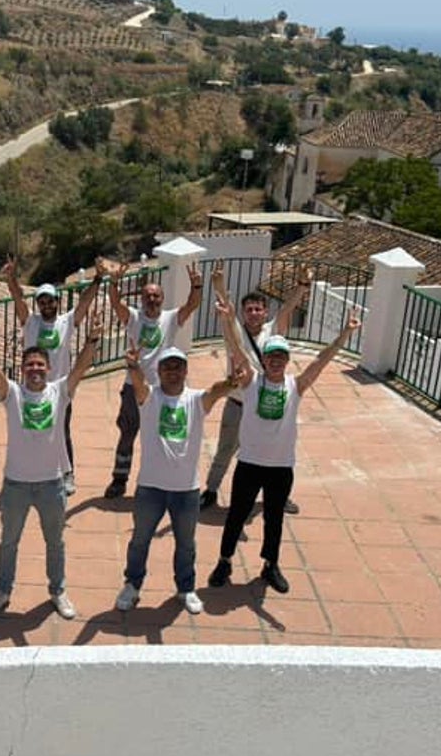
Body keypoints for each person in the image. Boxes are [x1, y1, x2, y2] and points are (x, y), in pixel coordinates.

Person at [207, 301, 362, 594]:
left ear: (287, 360)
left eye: (281, 356)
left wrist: (345, 334)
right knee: (237, 515)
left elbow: (321, 361)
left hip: (280, 468)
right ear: (263, 360)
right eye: (271, 356)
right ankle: (224, 561)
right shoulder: (251, 382)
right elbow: (237, 347)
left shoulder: (296, 385)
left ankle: (270, 565)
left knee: (274, 519)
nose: (276, 361)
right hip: (250, 464)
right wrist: (227, 320)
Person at [0, 315, 103, 620]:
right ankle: (3, 590)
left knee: (55, 542)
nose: (35, 369)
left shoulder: (59, 392)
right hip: (15, 484)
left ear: (49, 368)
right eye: (29, 365)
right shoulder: (13, 394)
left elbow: (81, 367)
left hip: (52, 484)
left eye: (40, 365)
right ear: (22, 370)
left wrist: (93, 340)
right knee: (8, 542)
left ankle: (58, 591)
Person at [115, 345, 241, 615]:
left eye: (177, 367)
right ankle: (132, 585)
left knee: (186, 544)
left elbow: (216, 391)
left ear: (185, 371)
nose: (172, 372)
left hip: (186, 489)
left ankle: (185, 588)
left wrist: (230, 382)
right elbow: (138, 384)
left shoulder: (196, 400)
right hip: (151, 487)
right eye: (167, 367)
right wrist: (134, 366)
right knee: (140, 540)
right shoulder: (149, 398)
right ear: (158, 371)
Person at [201, 264, 313, 514]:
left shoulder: (273, 331)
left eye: (258, 309)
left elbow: (287, 309)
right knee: (225, 450)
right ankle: (210, 490)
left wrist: (303, 286)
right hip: (238, 404)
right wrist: (219, 287)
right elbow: (227, 311)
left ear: (265, 312)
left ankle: (279, 496)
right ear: (243, 313)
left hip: (270, 403)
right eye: (249, 310)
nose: (253, 313)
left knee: (277, 452)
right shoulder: (236, 332)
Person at [99, 259, 203, 499]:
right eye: (148, 296)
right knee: (127, 433)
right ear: (142, 299)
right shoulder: (133, 318)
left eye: (156, 296)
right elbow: (115, 303)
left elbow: (191, 305)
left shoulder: (170, 318)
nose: (152, 300)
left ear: (162, 299)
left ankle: (160, 481)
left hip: (161, 392)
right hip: (133, 388)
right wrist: (114, 282)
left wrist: (196, 286)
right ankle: (119, 478)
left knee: (162, 435)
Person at [3, 256, 102, 495]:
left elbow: (84, 305)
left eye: (50, 301)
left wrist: (98, 279)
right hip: (30, 390)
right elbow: (17, 299)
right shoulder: (30, 323)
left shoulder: (66, 322)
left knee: (61, 431)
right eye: (42, 301)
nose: (46, 305)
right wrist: (11, 279)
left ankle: (67, 473)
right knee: (28, 430)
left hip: (60, 390)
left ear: (57, 302)